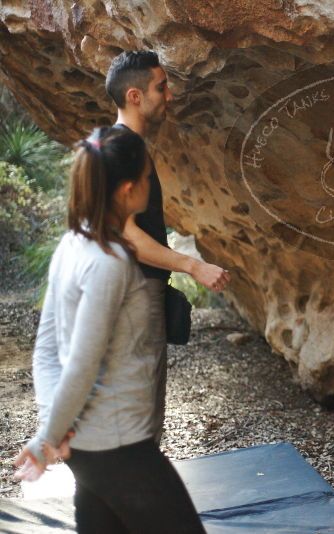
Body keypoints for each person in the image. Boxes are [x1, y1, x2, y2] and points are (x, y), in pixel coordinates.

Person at [14, 127, 205, 533]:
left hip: (86, 449)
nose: (152, 188)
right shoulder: (110, 262)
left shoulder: (72, 242)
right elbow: (81, 364)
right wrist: (47, 438)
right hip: (119, 449)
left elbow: (46, 349)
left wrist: (56, 428)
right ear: (128, 189)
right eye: (150, 179)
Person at [104, 50, 231, 440]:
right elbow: (126, 234)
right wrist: (194, 266)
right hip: (133, 301)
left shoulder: (121, 147)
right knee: (139, 421)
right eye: (161, 87)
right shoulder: (124, 150)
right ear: (135, 96)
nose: (169, 95)